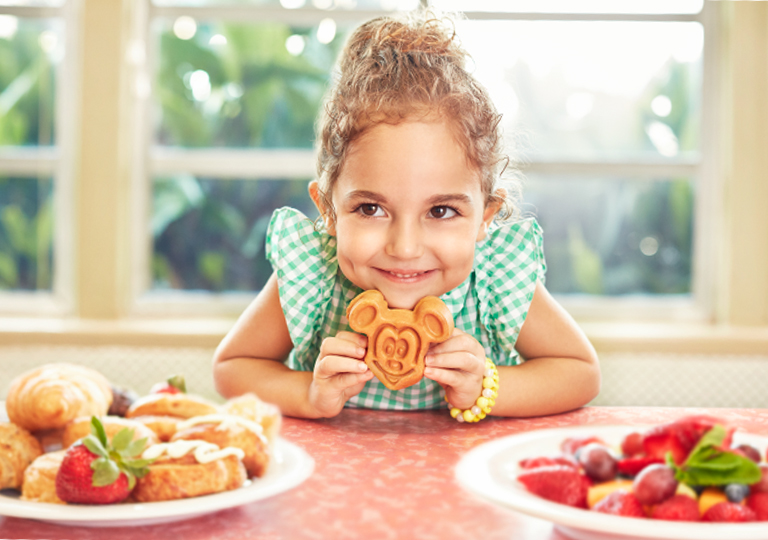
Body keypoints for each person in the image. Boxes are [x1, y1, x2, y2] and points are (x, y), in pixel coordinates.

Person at [213, 9, 600, 420]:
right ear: (329, 210)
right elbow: (232, 367)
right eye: (371, 208)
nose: (404, 247)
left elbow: (580, 373)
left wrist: (486, 387)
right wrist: (308, 394)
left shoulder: (493, 281)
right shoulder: (316, 273)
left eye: (441, 210)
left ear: (486, 216)